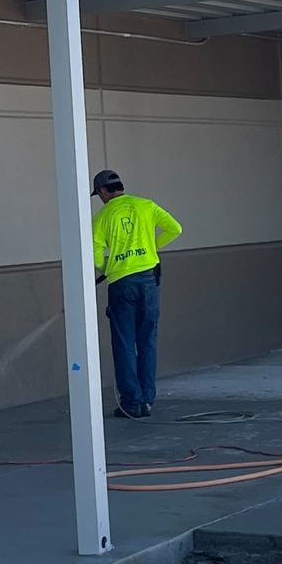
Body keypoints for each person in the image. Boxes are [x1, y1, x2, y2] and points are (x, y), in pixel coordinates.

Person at [90, 169, 181, 418]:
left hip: (121, 284)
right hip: (149, 280)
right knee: (147, 340)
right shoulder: (146, 206)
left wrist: (108, 268)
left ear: (102, 192)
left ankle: (132, 402)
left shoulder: (101, 218)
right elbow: (175, 229)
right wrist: (152, 248)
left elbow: (96, 254)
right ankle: (148, 400)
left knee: (124, 343)